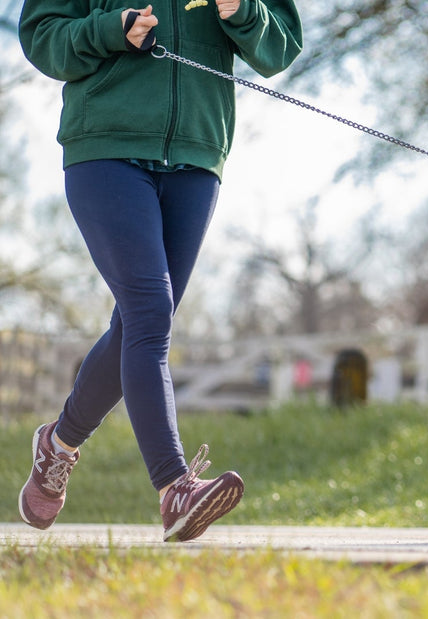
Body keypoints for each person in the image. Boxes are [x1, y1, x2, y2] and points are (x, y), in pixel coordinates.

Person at [17, 0, 302, 541]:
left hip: (196, 156)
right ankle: (176, 488)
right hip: (105, 149)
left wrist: (243, 11)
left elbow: (280, 46)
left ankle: (56, 445)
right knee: (150, 313)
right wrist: (111, 30)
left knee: (136, 323)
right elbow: (41, 36)